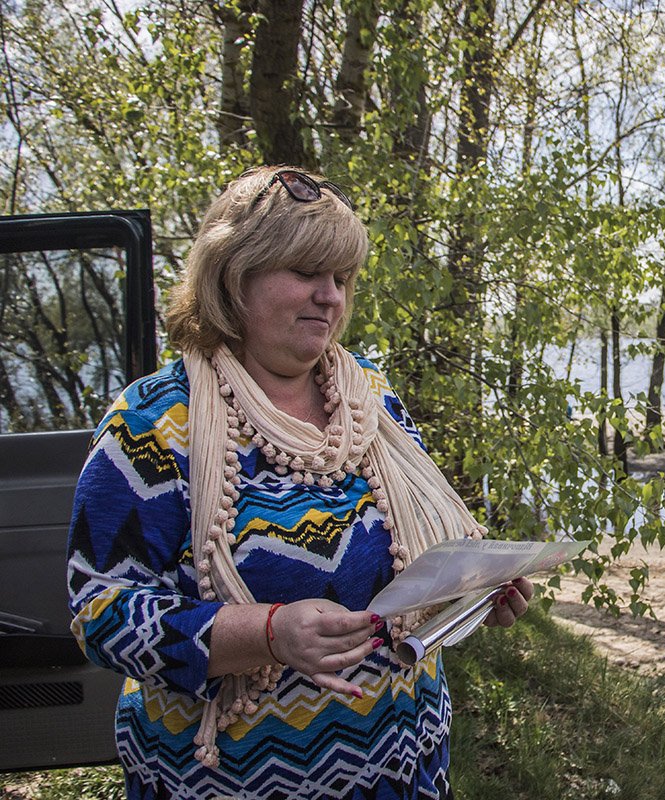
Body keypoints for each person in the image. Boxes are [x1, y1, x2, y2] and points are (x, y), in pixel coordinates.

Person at [67, 166, 533, 799]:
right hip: (222, 779)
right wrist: (267, 632)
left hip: (407, 768)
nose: (330, 297)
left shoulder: (374, 401)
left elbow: (418, 558)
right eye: (306, 273)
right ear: (234, 276)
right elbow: (101, 614)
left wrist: (474, 593)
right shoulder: (152, 424)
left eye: (340, 278)